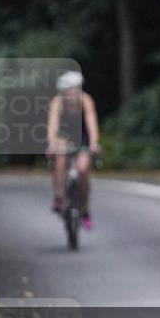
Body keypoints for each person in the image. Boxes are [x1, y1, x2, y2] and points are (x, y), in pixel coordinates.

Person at [46, 71, 101, 230]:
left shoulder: (86, 100)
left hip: (81, 135)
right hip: (63, 135)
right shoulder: (57, 102)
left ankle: (84, 210)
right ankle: (59, 196)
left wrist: (94, 143)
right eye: (70, 91)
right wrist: (52, 143)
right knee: (60, 158)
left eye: (77, 90)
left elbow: (91, 124)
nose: (74, 94)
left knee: (82, 170)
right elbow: (52, 126)